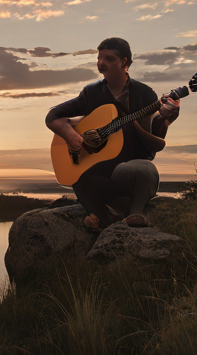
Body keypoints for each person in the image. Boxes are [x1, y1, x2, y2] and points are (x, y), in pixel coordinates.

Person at [45, 37, 180, 229]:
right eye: (99, 58)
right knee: (79, 179)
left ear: (124, 62)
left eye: (108, 59)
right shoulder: (91, 92)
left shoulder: (144, 94)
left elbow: (154, 138)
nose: (101, 63)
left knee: (137, 169)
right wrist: (72, 137)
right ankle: (104, 216)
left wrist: (165, 119)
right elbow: (53, 116)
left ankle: (136, 213)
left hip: (130, 170)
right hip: (101, 175)